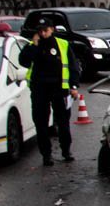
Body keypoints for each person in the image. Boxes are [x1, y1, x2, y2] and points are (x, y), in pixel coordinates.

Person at [18, 15, 80, 166]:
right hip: (39, 89)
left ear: (51, 29)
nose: (43, 33)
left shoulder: (62, 44)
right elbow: (23, 61)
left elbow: (73, 67)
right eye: (40, 31)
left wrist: (73, 86)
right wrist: (33, 45)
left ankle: (66, 151)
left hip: (59, 89)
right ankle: (46, 155)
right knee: (41, 123)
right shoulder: (34, 45)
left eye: (45, 30)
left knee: (63, 122)